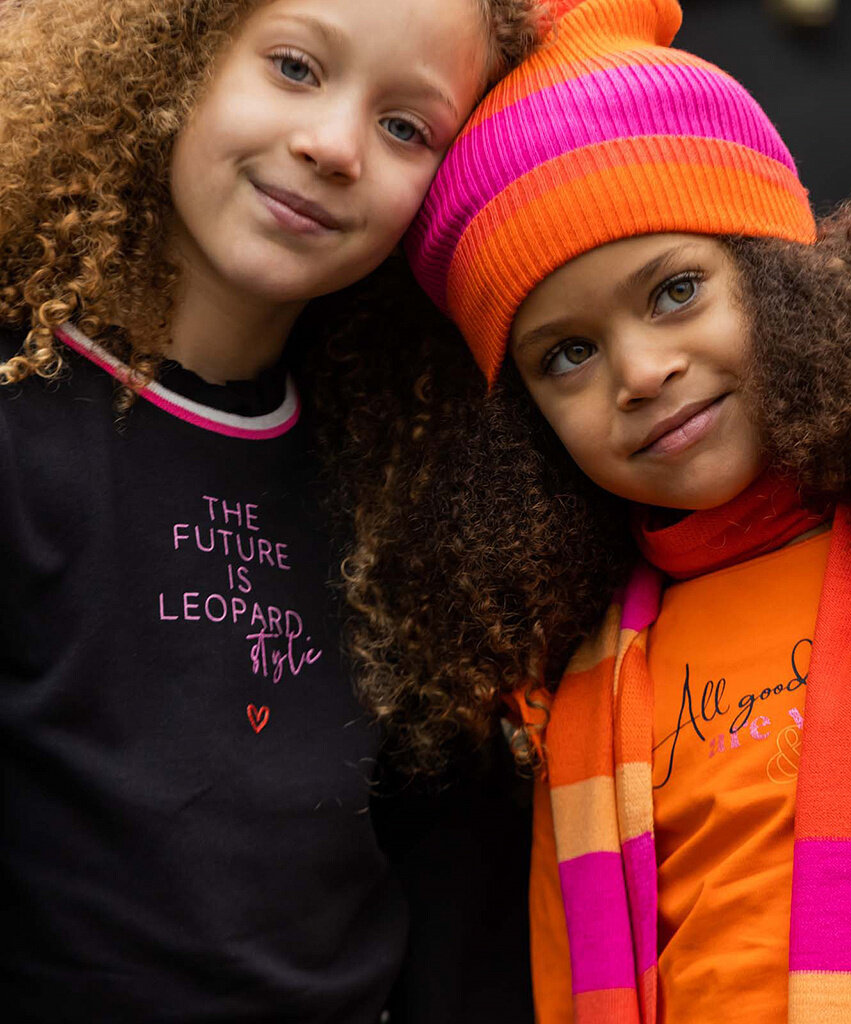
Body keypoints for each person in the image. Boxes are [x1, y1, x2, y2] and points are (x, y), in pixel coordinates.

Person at [340, 0, 851, 1020]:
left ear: (782, 279)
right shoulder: (558, 688)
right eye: (568, 354)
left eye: (674, 292)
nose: (641, 372)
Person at [0, 0, 539, 1020]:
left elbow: (458, 909)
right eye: (295, 67)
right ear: (178, 55)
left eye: (405, 127)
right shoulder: (19, 423)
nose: (333, 145)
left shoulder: (398, 485)